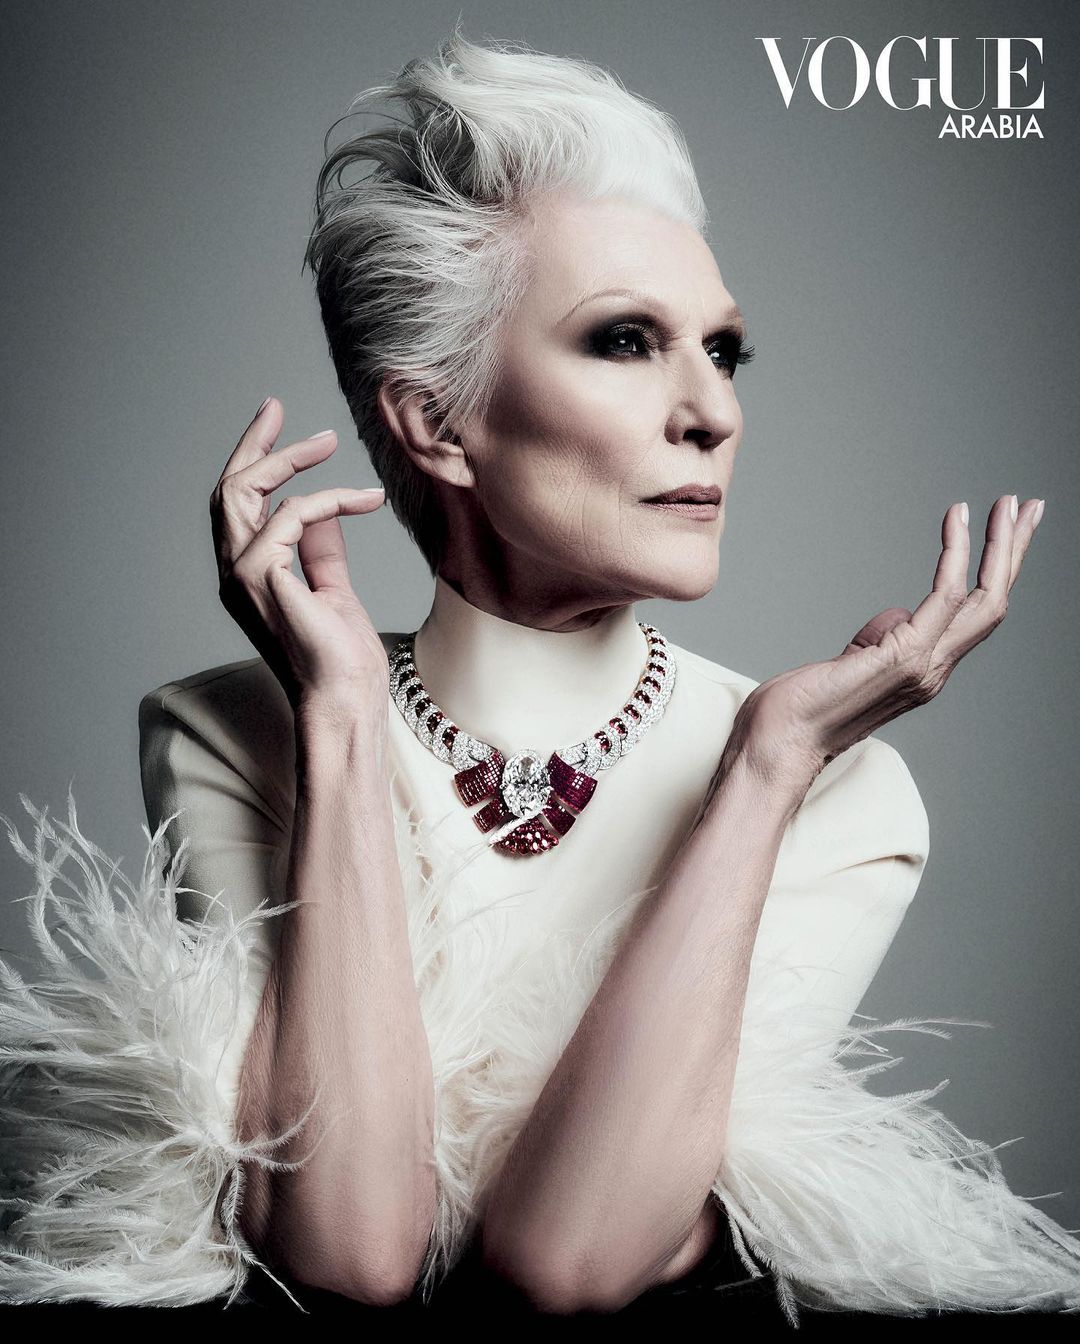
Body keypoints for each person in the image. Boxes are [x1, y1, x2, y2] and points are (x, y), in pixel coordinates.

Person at [1, 27, 1077, 1323]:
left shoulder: (842, 790)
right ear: (435, 422)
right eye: (626, 341)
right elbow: (348, 1250)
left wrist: (767, 767)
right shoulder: (229, 733)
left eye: (723, 348)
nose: (714, 411)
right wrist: (340, 721)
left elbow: (570, 1264)